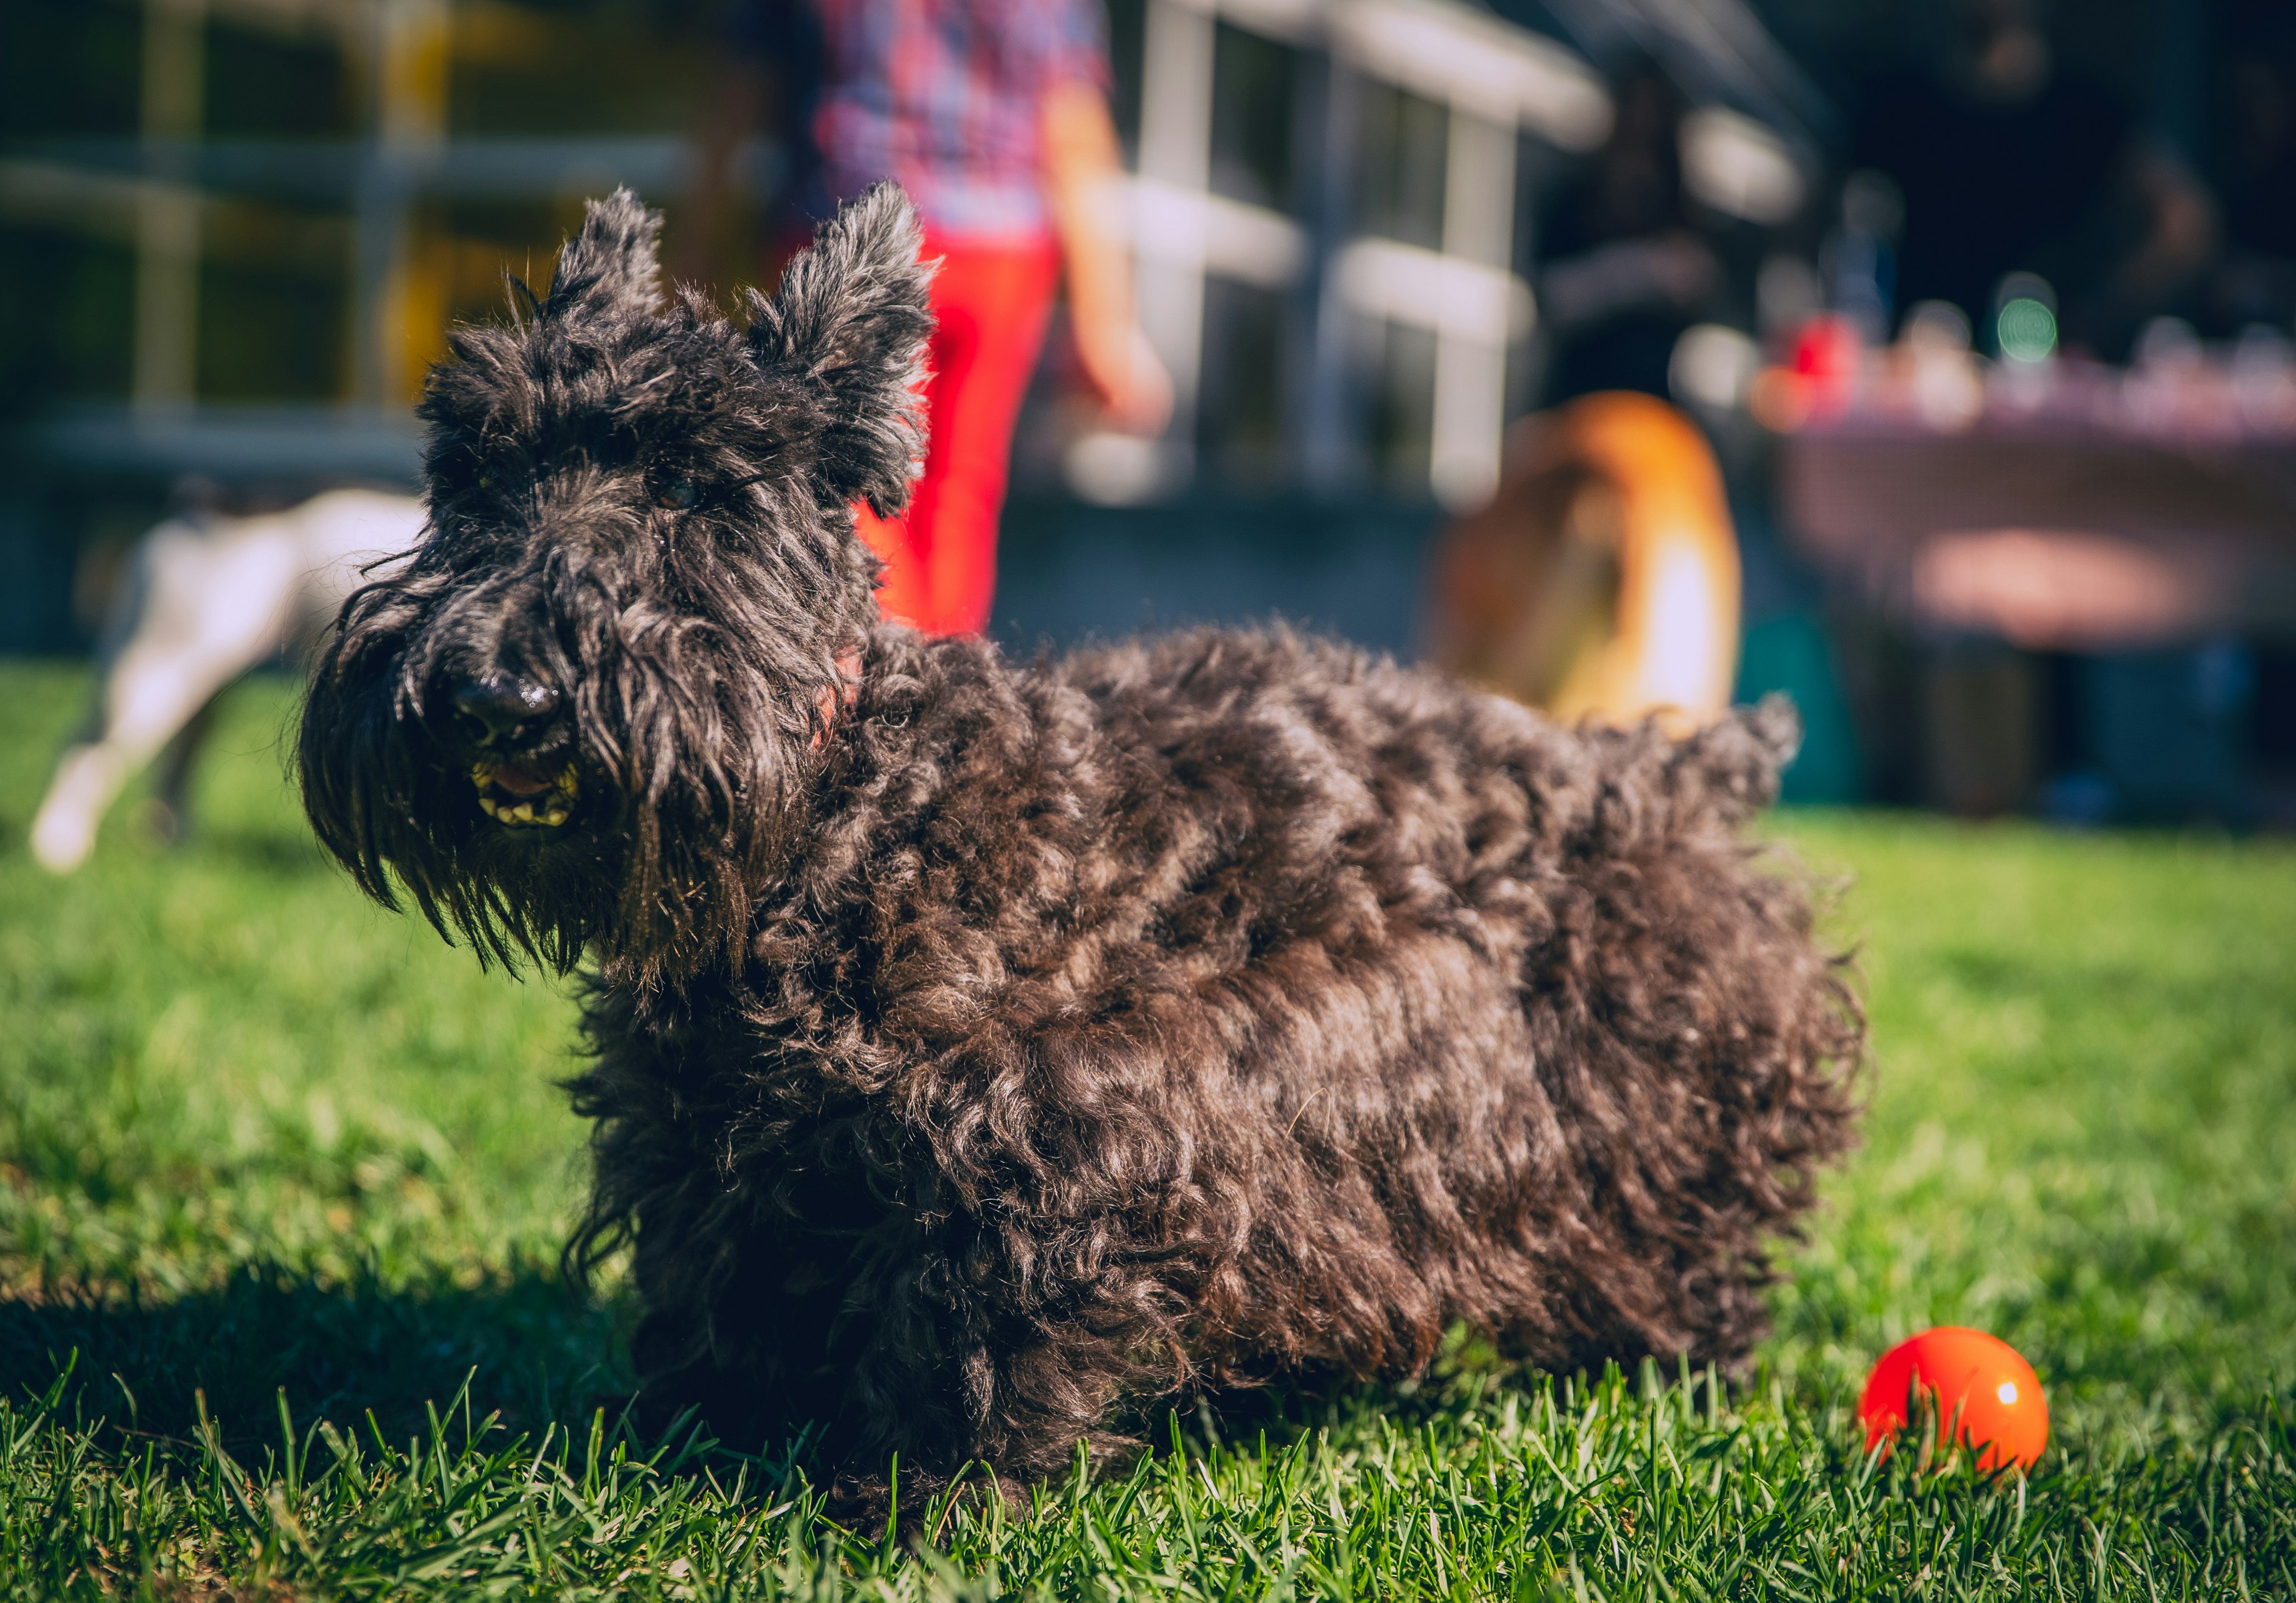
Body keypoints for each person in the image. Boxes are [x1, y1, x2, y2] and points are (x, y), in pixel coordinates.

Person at [681, 0, 1170, 636]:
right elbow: (1072, 122)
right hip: (1000, 245)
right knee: (960, 489)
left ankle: (886, 672)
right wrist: (1105, 317)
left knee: (845, 481)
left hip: (845, 233)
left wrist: (692, 257)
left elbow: (739, 94)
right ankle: (941, 680)